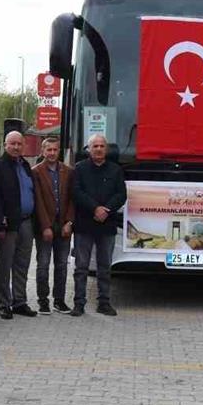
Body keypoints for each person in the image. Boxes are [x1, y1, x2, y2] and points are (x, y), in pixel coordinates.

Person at [70, 134, 126, 317]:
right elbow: (76, 192)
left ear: (106, 149)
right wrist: (95, 209)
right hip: (84, 225)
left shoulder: (116, 170)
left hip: (107, 225)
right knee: (81, 267)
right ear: (88, 149)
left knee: (104, 267)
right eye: (95, 146)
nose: (99, 149)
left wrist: (107, 210)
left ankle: (104, 303)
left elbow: (121, 194)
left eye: (102, 146)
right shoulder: (79, 169)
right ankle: (79, 304)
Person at [0, 131, 37, 319]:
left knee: (22, 265)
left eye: (19, 144)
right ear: (5, 144)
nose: (16, 147)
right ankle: (3, 303)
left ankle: (20, 301)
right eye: (12, 143)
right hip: (8, 224)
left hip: (27, 222)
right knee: (4, 264)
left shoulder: (25, 165)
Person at [32, 137, 74, 315]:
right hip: (45, 227)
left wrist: (69, 222)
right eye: (48, 150)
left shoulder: (69, 171)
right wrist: (45, 226)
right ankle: (43, 300)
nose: (52, 153)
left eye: (55, 150)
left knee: (62, 265)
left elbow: (73, 198)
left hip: (63, 225)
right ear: (42, 151)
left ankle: (59, 300)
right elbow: (38, 201)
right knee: (42, 265)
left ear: (59, 151)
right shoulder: (35, 172)